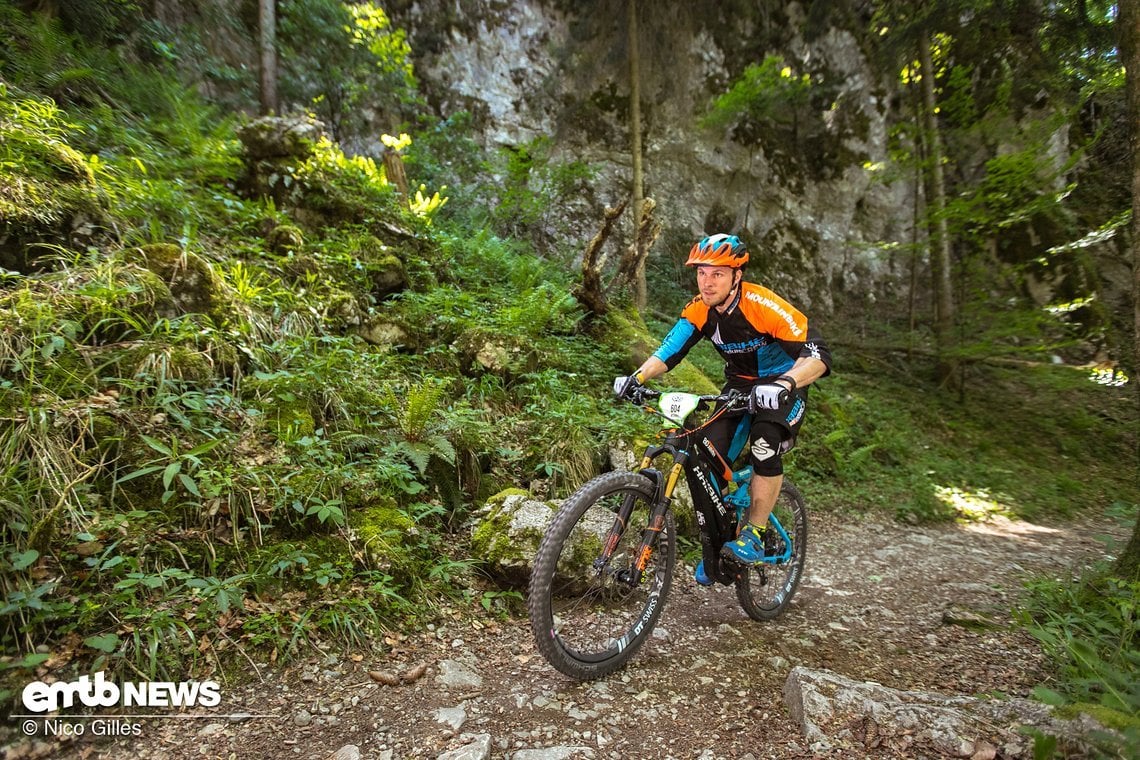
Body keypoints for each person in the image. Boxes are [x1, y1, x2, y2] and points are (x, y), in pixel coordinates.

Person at [614, 233, 832, 584]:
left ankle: (756, 534)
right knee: (708, 458)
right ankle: (721, 543)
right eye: (702, 272)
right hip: (740, 385)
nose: (707, 281)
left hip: (785, 381)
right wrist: (636, 377)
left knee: (764, 443)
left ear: (736, 276)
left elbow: (819, 355)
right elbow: (669, 351)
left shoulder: (763, 305)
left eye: (718, 273)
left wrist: (786, 383)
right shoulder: (699, 309)